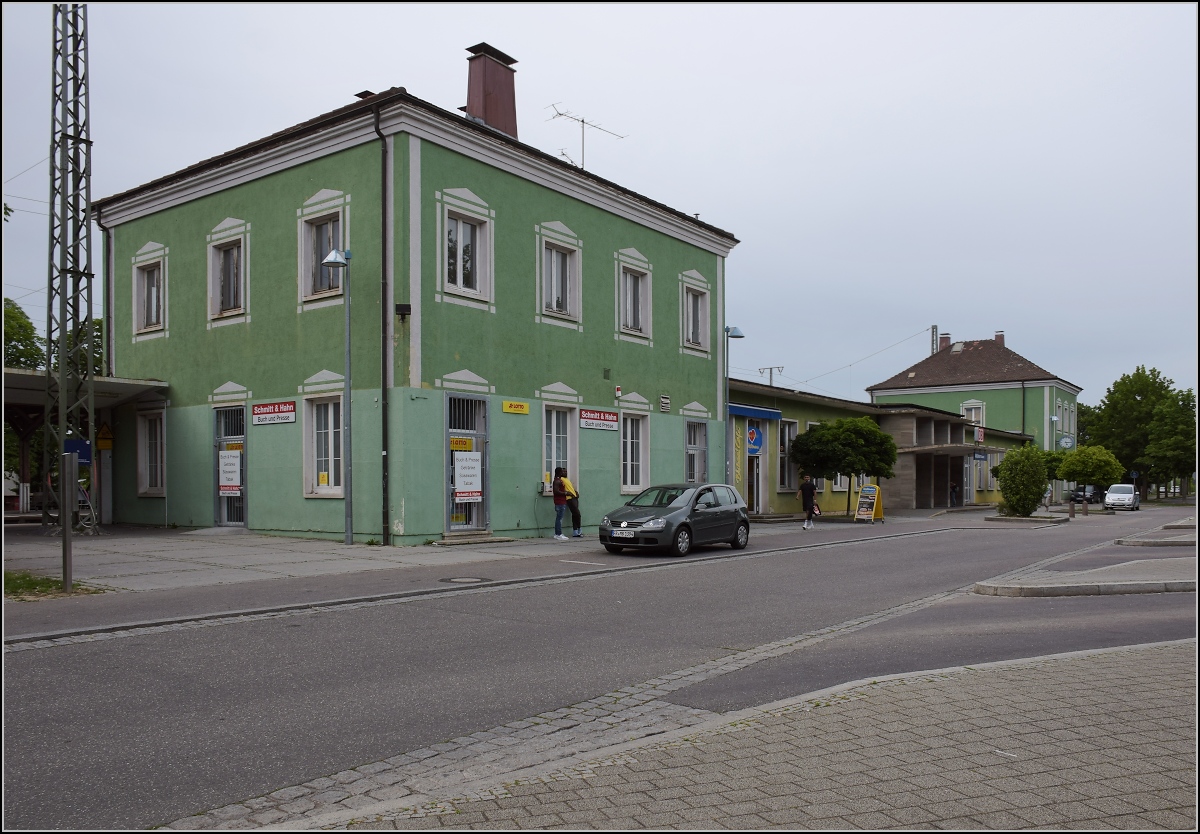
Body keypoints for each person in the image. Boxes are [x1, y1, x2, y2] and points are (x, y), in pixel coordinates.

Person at [560, 469, 582, 537]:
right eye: (563, 471)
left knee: (574, 514)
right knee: (577, 514)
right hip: (570, 499)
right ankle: (579, 529)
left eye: (566, 471)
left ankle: (575, 531)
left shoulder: (567, 479)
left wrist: (575, 492)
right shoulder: (561, 479)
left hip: (574, 498)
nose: (565, 472)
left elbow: (570, 488)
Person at [551, 467, 569, 540]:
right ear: (559, 472)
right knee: (559, 518)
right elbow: (556, 491)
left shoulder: (559, 480)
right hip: (560, 502)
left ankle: (557, 533)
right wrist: (565, 493)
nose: (563, 473)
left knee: (559, 518)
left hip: (561, 501)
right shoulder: (557, 481)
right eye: (561, 472)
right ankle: (558, 534)